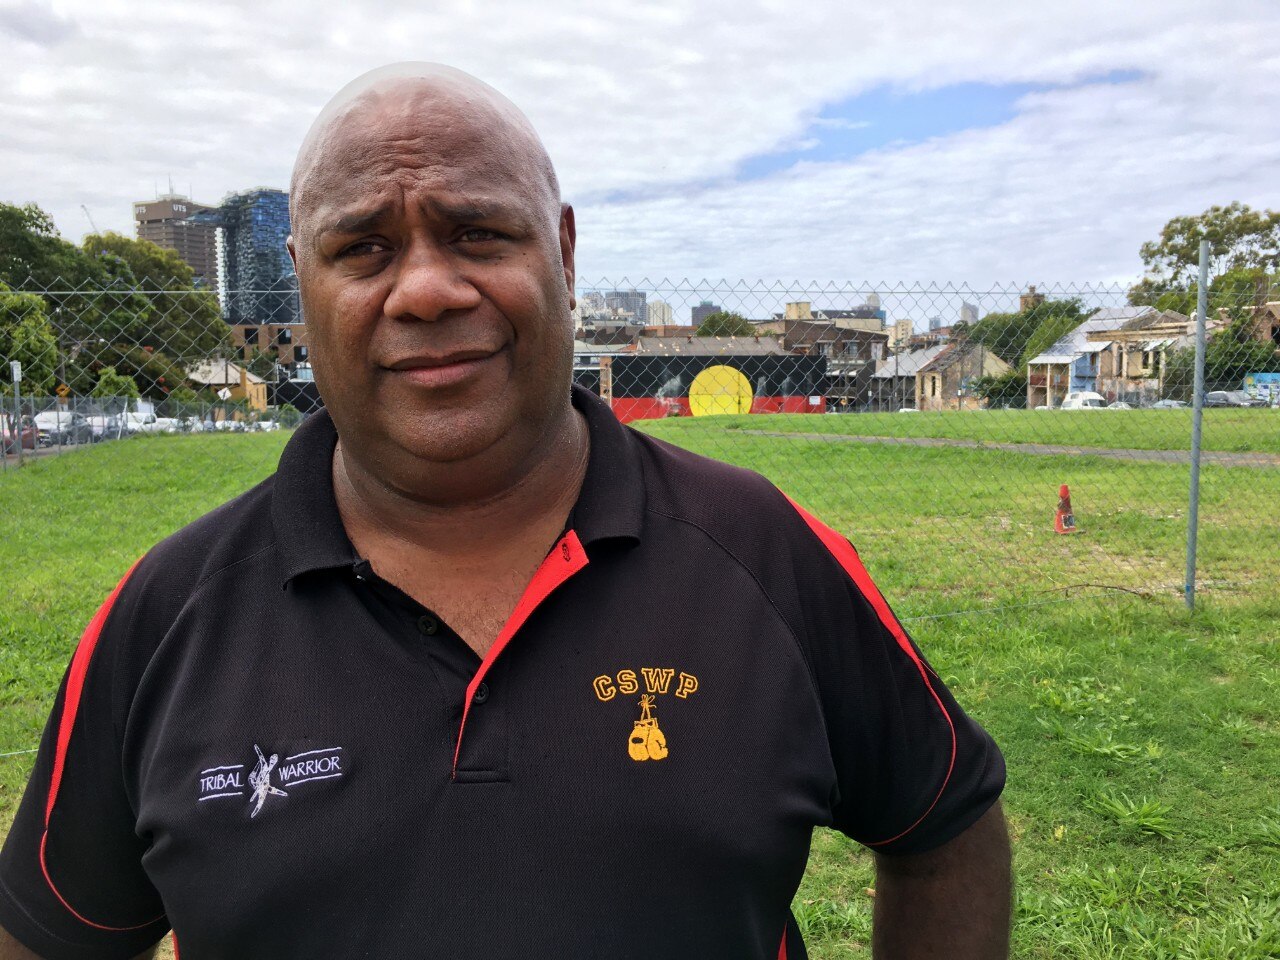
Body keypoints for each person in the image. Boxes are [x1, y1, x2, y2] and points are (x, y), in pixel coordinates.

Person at [0, 64, 1010, 960]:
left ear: (563, 253)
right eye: (363, 247)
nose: (426, 290)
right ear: (303, 284)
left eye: (477, 232)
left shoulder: (759, 551)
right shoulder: (167, 614)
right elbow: (45, 936)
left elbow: (944, 825)